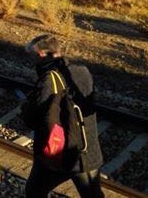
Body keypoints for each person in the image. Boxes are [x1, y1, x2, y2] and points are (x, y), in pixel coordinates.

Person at [21, 34, 104, 198]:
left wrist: (25, 106)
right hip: (88, 149)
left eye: (32, 56)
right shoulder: (82, 71)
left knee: (34, 192)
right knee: (93, 195)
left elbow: (34, 118)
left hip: (59, 154)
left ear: (42, 54)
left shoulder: (48, 80)